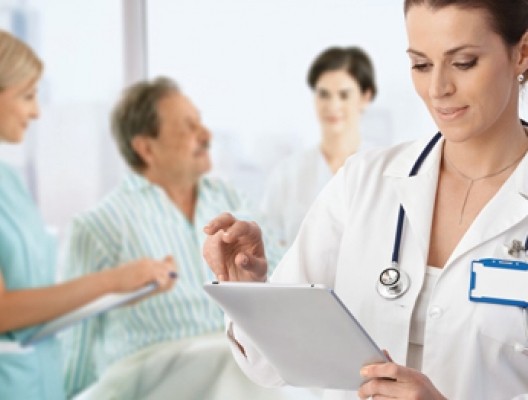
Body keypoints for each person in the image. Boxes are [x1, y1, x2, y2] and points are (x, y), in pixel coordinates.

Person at [203, 1, 528, 399]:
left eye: (462, 62)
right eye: (421, 65)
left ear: (522, 53)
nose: (438, 88)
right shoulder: (363, 183)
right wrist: (248, 291)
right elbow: (270, 365)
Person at [0, 27, 177, 400]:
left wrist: (122, 293)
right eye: (27, 96)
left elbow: (36, 299)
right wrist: (111, 280)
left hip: (37, 383)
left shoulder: (8, 180)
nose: (36, 111)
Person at [61, 77, 320, 400]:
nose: (206, 134)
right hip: (150, 379)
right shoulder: (99, 228)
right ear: (146, 148)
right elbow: (74, 351)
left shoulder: (234, 204)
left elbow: (286, 288)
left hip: (233, 372)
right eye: (188, 126)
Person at [259, 46, 377, 247]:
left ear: (365, 97)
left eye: (344, 95)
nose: (332, 105)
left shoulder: (381, 170)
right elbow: (268, 245)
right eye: (323, 94)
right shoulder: (287, 174)